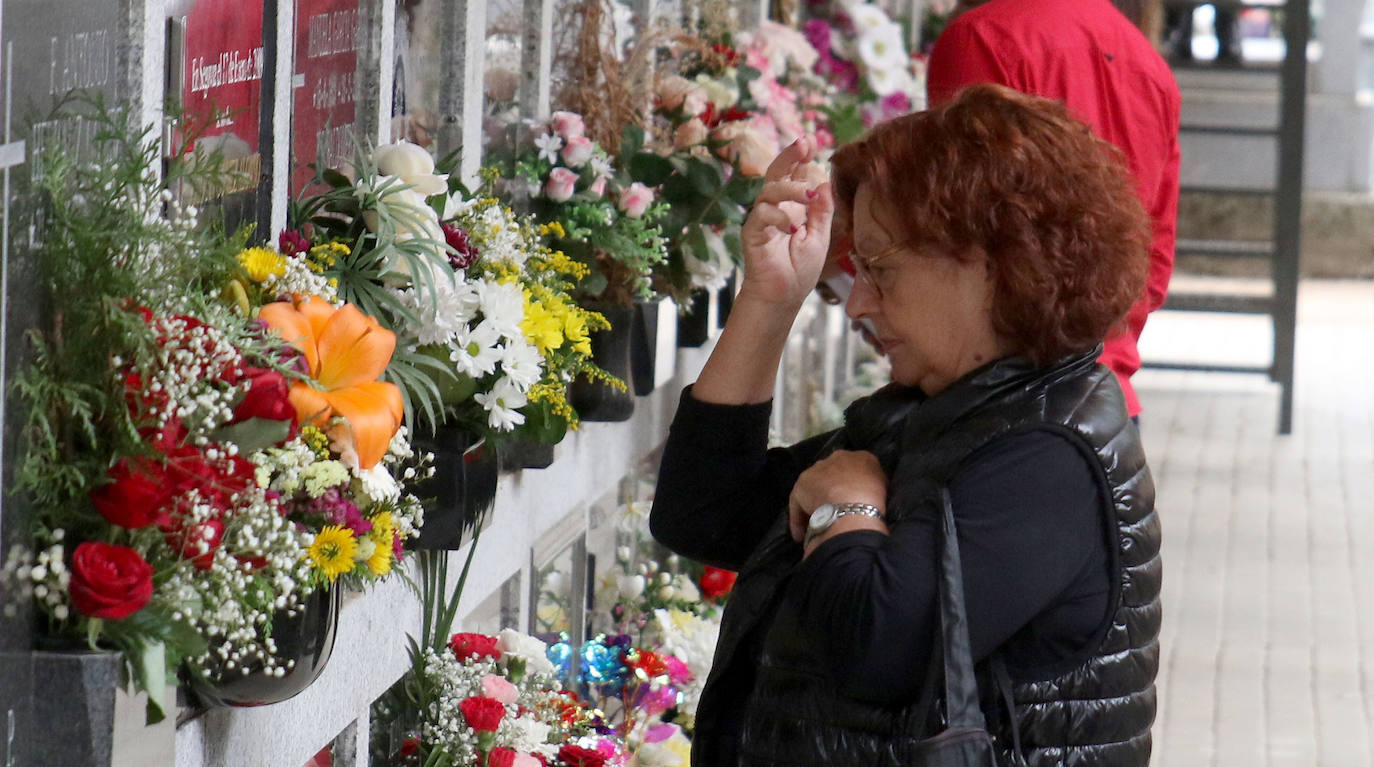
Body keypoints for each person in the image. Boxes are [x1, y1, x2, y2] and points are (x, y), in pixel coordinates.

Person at [651, 85, 1162, 766]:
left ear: (990, 262)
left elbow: (880, 646)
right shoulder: (944, 407)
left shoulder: (1051, 450)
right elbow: (705, 511)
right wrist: (772, 300)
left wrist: (849, 506)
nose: (858, 300)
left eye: (883, 269)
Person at [925, 0, 1181, 421]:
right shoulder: (1148, 61)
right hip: (1106, 402)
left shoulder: (983, 36)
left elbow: (959, 231)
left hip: (1003, 398)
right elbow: (1153, 264)